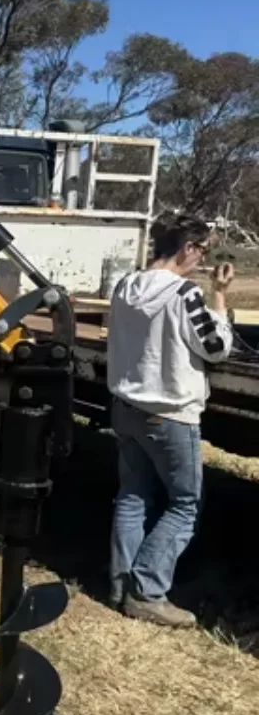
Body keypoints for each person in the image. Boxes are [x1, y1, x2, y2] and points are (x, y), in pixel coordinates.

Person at [106, 213, 235, 627]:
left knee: (133, 495)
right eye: (202, 251)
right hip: (170, 414)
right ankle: (147, 590)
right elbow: (215, 347)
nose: (202, 260)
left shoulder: (125, 286)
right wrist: (219, 297)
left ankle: (119, 583)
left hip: (126, 407)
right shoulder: (184, 294)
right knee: (184, 504)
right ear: (187, 249)